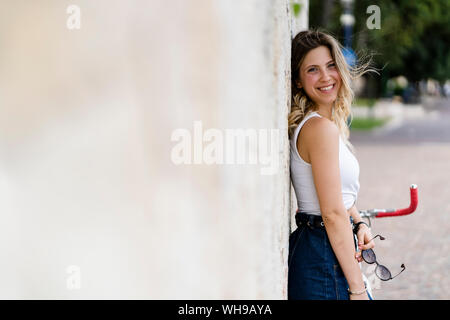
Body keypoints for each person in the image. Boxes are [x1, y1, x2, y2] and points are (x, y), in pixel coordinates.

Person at [287, 30, 376, 300]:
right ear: (299, 81)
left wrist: (359, 222)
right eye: (313, 69)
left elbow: (340, 197)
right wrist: (358, 289)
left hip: (322, 249)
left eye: (330, 66)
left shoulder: (327, 126)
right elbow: (332, 213)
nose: (326, 77)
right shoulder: (319, 129)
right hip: (323, 253)